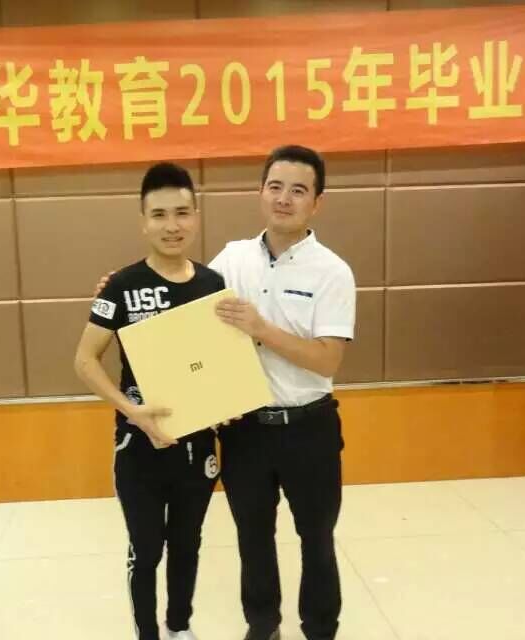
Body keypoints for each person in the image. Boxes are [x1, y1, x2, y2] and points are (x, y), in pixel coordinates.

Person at [74, 162, 225, 640]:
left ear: (196, 216)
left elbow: (219, 362)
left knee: (187, 544)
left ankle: (180, 628)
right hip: (138, 449)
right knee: (146, 550)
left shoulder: (213, 285)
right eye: (159, 214)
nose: (171, 225)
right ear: (143, 221)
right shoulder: (120, 286)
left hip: (197, 447)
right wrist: (131, 411)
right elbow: (84, 360)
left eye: (182, 213)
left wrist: (227, 399)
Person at [211, 145, 355, 640]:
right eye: (275, 187)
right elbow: (187, 309)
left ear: (317, 202)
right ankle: (262, 625)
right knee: (252, 538)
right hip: (246, 431)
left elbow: (327, 359)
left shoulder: (332, 272)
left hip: (309, 429)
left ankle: (320, 629)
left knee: (317, 539)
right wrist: (124, 288)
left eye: (298, 190)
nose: (284, 199)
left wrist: (260, 328)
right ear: (261, 192)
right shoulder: (231, 259)